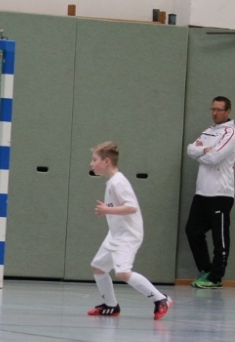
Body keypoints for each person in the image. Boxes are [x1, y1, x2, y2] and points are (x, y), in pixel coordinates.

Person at [87, 142, 172, 319]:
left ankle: (161, 299)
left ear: (106, 161)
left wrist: (107, 210)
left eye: (94, 160)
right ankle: (111, 305)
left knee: (123, 272)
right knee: (98, 268)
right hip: (115, 234)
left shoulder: (119, 182)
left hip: (128, 235)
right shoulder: (112, 182)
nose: (91, 163)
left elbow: (131, 207)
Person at [185, 96, 235, 288]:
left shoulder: (230, 132)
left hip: (220, 193)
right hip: (202, 192)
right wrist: (205, 151)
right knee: (192, 230)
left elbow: (214, 158)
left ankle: (216, 277)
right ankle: (206, 269)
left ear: (228, 111)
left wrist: (201, 153)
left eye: (219, 110)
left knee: (219, 236)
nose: (215, 113)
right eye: (213, 109)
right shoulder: (208, 131)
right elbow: (190, 150)